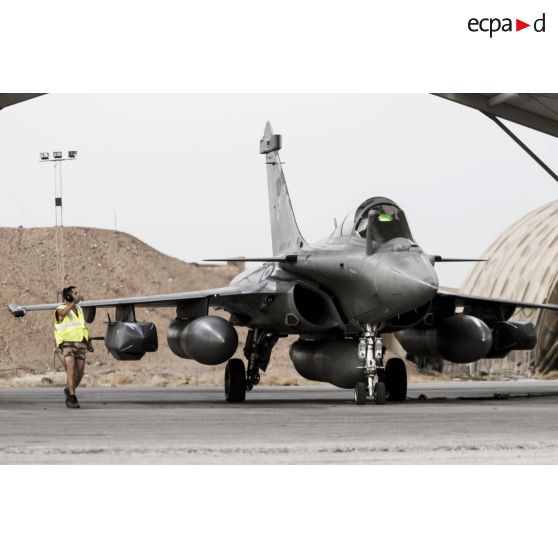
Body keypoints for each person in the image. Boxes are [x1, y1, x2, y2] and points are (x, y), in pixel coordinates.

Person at [54, 285, 93, 408]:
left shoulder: (79, 309)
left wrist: (88, 341)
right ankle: (72, 397)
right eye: (75, 293)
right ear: (68, 296)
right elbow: (63, 314)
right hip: (68, 343)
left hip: (80, 343)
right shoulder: (60, 308)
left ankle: (69, 389)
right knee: (71, 369)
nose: (78, 295)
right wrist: (72, 303)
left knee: (80, 372)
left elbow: (82, 326)